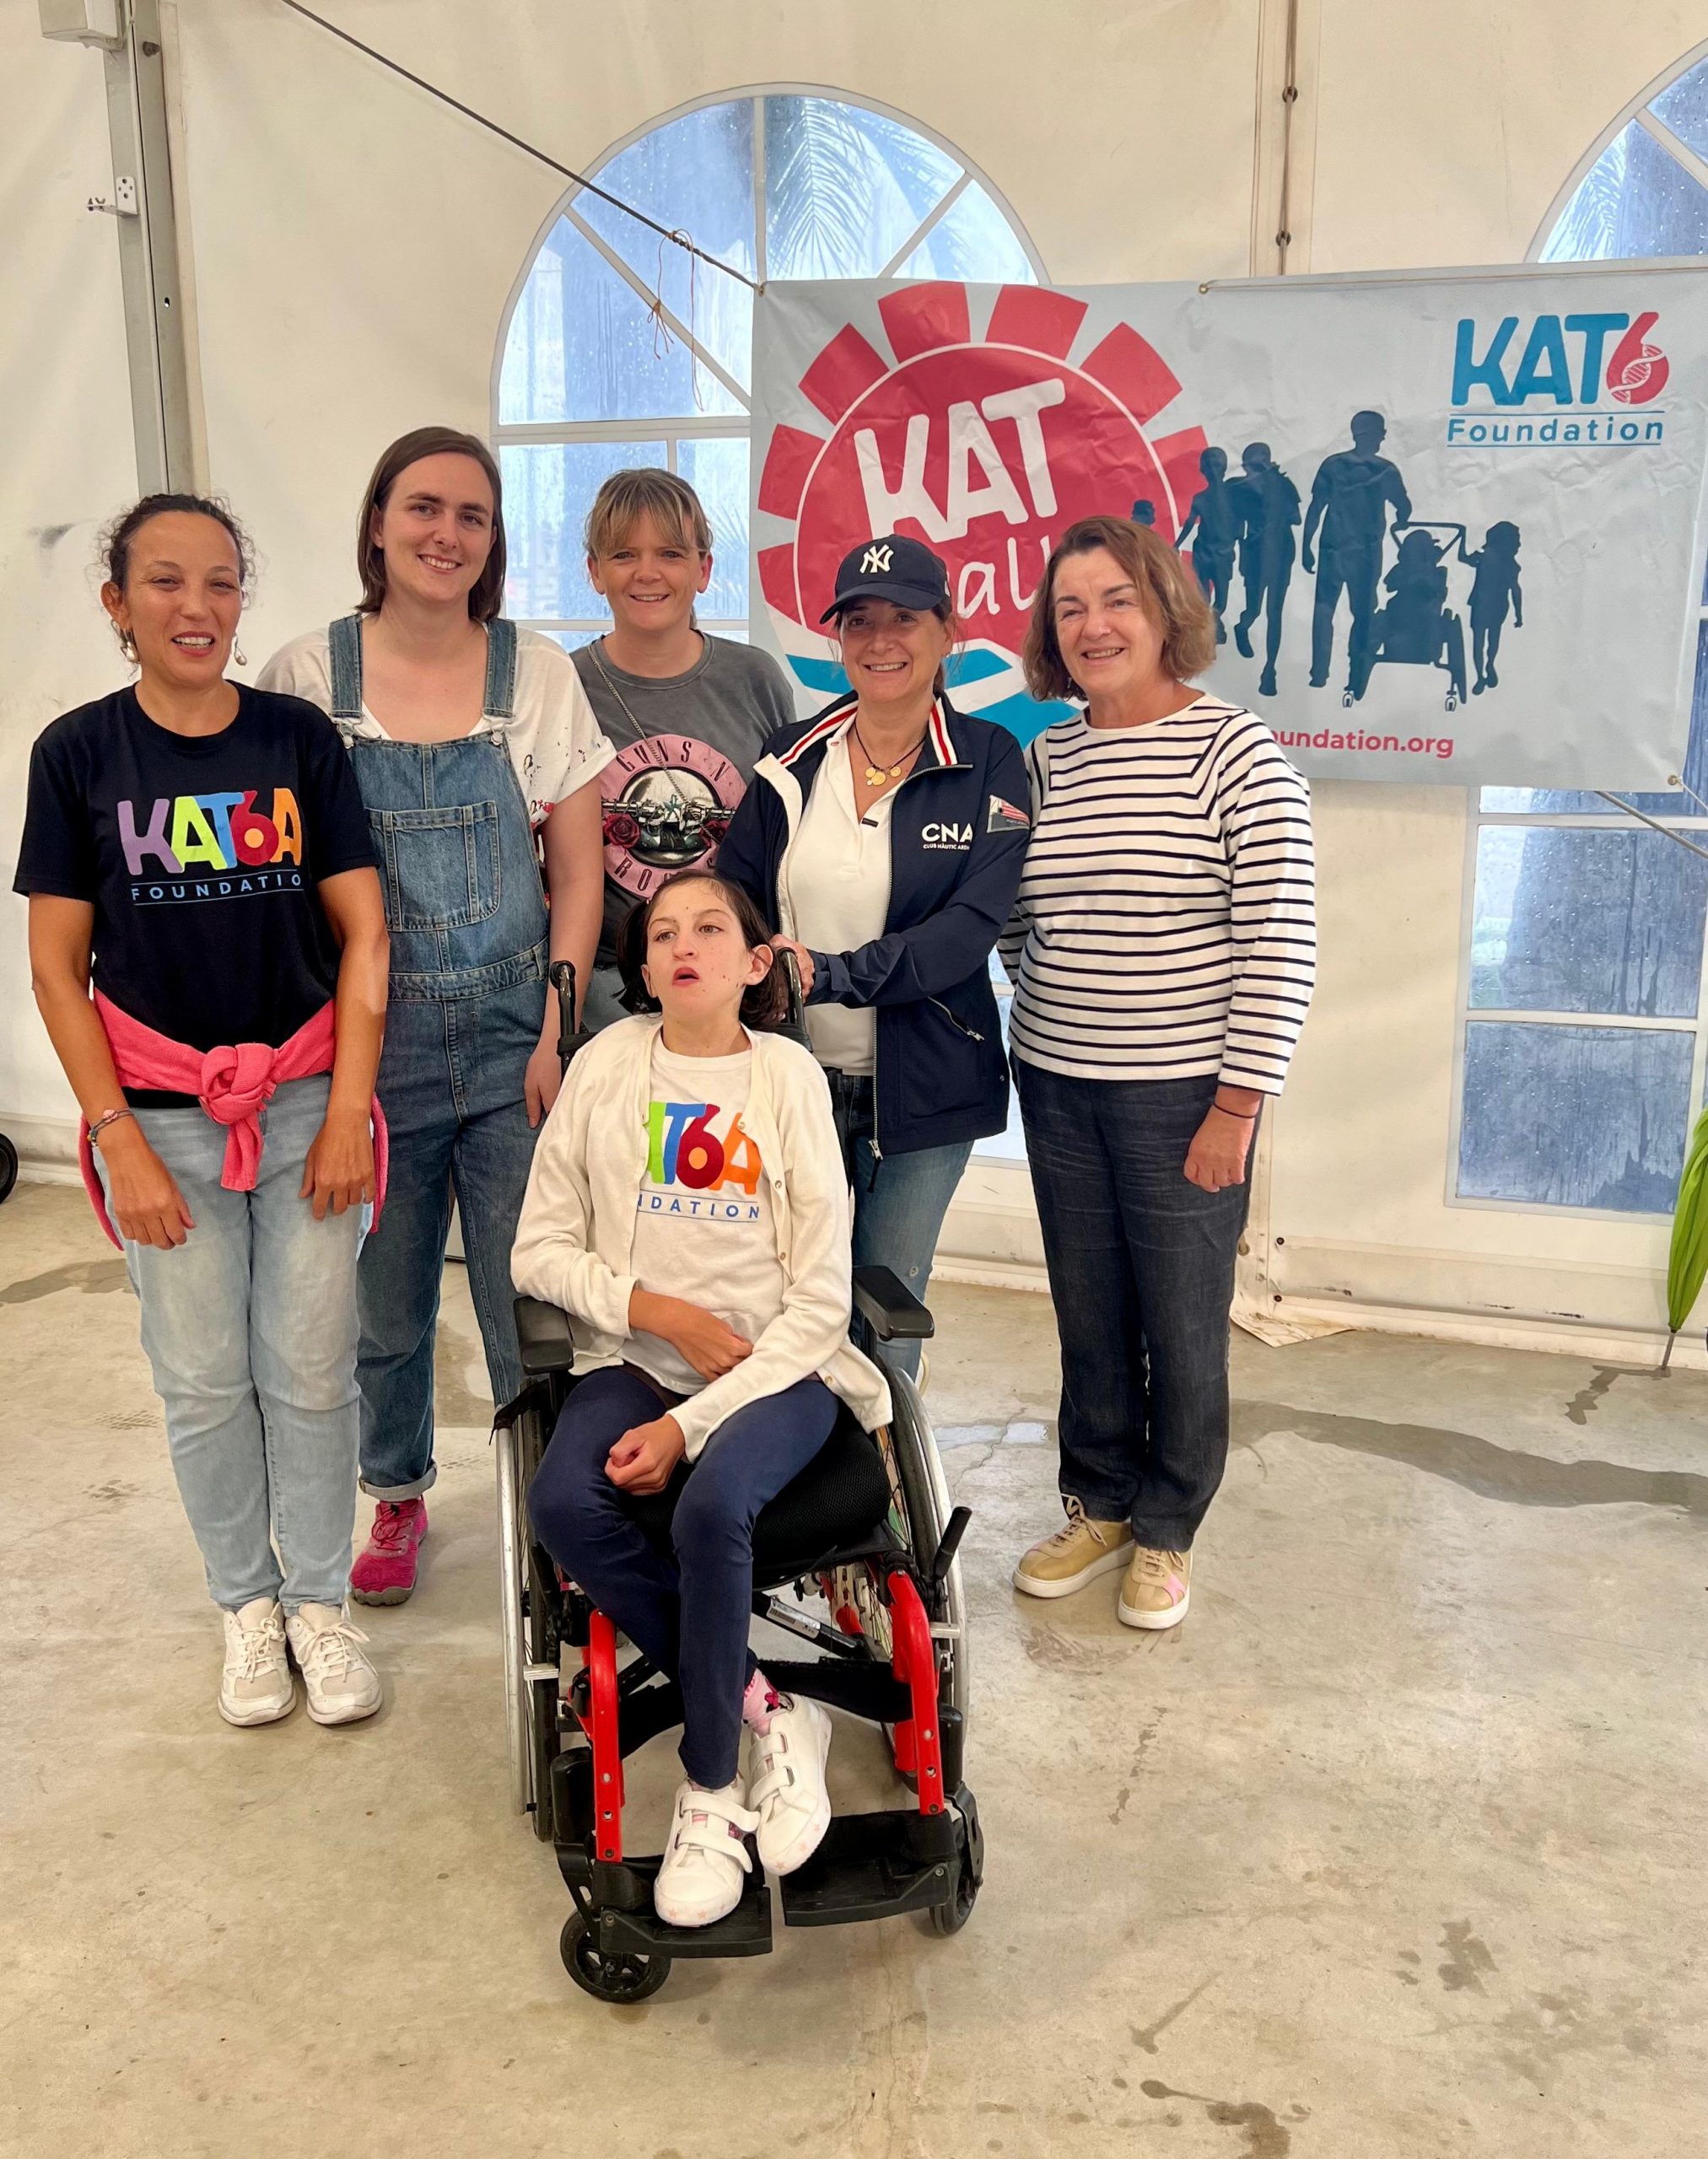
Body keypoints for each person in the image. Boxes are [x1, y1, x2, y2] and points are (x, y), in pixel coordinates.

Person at [17, 494, 390, 1725]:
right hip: (161, 1120)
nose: (197, 606)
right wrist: (115, 1136)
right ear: (117, 604)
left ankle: (320, 1603)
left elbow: (364, 933)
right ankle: (247, 1607)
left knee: (312, 1368)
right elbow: (56, 970)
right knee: (201, 1378)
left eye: (221, 581)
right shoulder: (78, 755)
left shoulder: (296, 740)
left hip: (303, 1102)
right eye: (166, 582)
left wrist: (345, 1109)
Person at [261, 427, 613, 1607]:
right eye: (422, 507)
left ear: (493, 539)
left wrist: (556, 1029)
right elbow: (285, 875)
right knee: (386, 1306)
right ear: (377, 522)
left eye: (472, 515)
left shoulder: (536, 675)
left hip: (516, 1037)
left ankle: (552, 1508)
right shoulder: (308, 677)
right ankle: (398, 1493)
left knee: (532, 1297)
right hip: (373, 1046)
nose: (445, 534)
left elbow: (577, 875)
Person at [513, 870, 889, 1927]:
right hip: (632, 1357)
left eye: (710, 929)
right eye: (662, 933)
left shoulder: (787, 1076)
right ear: (641, 966)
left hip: (777, 1369)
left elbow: (821, 1300)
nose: (683, 946)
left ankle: (710, 1791)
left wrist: (687, 1425)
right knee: (562, 1501)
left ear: (756, 961)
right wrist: (652, 1310)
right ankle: (767, 1705)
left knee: (713, 1507)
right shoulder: (604, 1064)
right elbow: (537, 1249)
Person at [1002, 516, 1316, 1630]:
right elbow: (1016, 918)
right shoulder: (1048, 759)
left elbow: (1280, 938)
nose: (1093, 626)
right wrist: (1055, 1001)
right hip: (1056, 1084)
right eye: (1070, 608)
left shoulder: (1235, 752)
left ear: (1164, 611)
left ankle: (1169, 1525)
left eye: (1116, 600)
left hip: (1186, 1098)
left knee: (1181, 1324)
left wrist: (1237, 1104)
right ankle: (1100, 1503)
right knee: (1089, 1311)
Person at [716, 535, 1032, 1379]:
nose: (880, 640)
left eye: (904, 618)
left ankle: (890, 1461)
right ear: (838, 638)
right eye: (859, 621)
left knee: (888, 1313)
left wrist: (827, 973)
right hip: (790, 1082)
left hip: (929, 1088)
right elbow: (733, 895)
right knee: (786, 1298)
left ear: (947, 631)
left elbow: (967, 931)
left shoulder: (989, 759)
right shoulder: (789, 755)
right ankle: (796, 1453)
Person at [572, 470, 797, 1031]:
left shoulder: (755, 679)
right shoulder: (564, 685)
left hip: (735, 988)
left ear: (704, 569)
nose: (647, 573)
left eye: (670, 553)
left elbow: (788, 839)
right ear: (595, 571)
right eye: (624, 554)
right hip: (608, 992)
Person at [1301, 409, 1411, 689]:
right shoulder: (1385, 470)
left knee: (1326, 611)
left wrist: (1306, 546)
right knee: (1362, 613)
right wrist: (1401, 520)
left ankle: (1320, 674)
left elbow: (1316, 508)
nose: (1383, 436)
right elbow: (1404, 508)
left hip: (1335, 550)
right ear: (1372, 434)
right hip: (1363, 553)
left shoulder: (1333, 465)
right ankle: (1356, 676)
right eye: (1381, 431)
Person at [1226, 443, 1301, 699]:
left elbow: (1296, 517)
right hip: (1255, 556)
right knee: (1255, 609)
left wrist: (1274, 488)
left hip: (1282, 553)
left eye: (1263, 463)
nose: (1258, 469)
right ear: (1245, 466)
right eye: (1254, 465)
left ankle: (1270, 670)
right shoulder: (1238, 489)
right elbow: (1234, 525)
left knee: (1274, 613)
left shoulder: (1282, 486)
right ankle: (1243, 626)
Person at [1175, 447, 1237, 642]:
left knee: (1221, 597)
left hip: (1223, 553)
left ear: (1224, 467)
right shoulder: (1200, 498)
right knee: (1202, 596)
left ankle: (1215, 623)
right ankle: (1207, 632)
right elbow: (1190, 523)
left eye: (1216, 464)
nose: (1212, 469)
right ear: (1203, 469)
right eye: (1208, 465)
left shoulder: (1235, 494)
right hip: (1202, 552)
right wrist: (1177, 544)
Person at [1460, 521, 1523, 692]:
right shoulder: (1509, 564)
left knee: (1480, 641)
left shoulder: (1486, 558)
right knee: (1491, 639)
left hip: (1485, 604)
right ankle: (1486, 668)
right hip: (1494, 605)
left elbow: (1463, 558)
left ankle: (1483, 671)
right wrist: (1518, 614)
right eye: (1516, 540)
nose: (1519, 545)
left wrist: (1462, 535)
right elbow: (1516, 591)